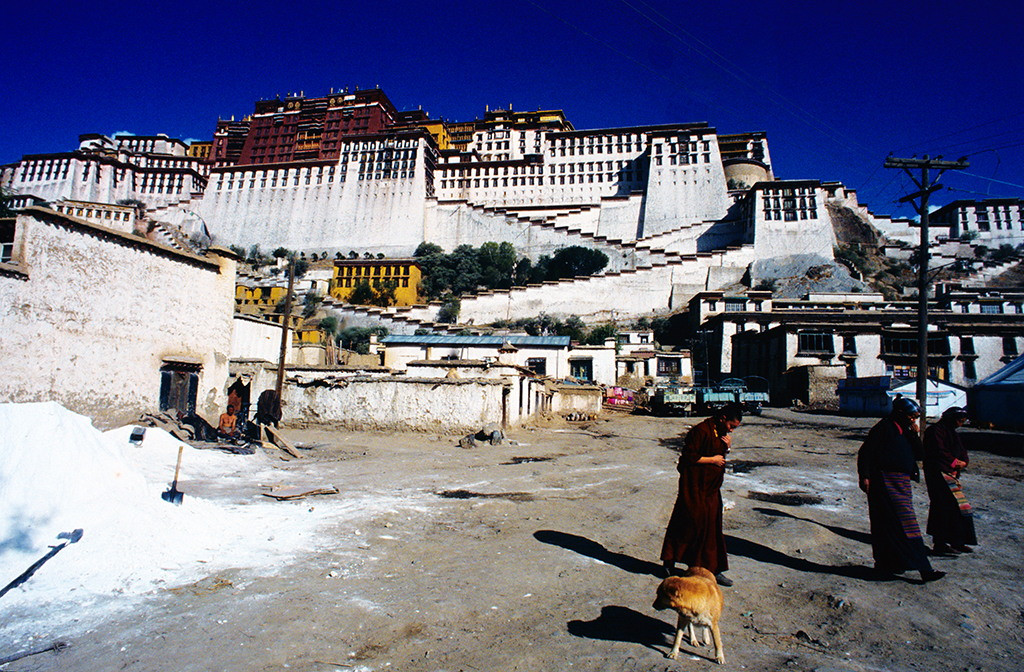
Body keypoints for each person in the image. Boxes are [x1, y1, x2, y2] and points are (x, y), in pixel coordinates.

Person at [857, 396, 945, 582]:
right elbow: (866, 453)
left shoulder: (905, 430)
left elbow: (920, 455)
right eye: (912, 416)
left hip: (900, 482)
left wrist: (914, 434)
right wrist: (864, 476)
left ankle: (892, 564)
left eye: (915, 417)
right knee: (896, 524)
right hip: (884, 481)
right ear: (900, 413)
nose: (913, 420)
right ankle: (922, 569)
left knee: (896, 523)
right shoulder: (883, 429)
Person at [661, 402, 742, 587]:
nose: (731, 430)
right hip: (694, 488)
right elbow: (688, 457)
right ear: (723, 419)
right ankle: (669, 562)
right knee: (688, 523)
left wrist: (728, 448)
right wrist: (712, 459)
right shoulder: (701, 431)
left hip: (711, 489)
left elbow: (720, 457)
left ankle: (714, 570)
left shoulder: (721, 433)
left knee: (712, 528)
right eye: (731, 426)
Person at [924, 406, 976, 555]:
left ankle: (957, 541)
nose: (961, 423)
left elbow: (962, 451)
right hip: (938, 475)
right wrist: (953, 462)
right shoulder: (935, 431)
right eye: (959, 420)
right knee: (941, 508)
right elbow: (938, 452)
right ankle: (939, 543)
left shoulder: (952, 432)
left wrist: (963, 462)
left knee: (958, 507)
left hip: (951, 475)